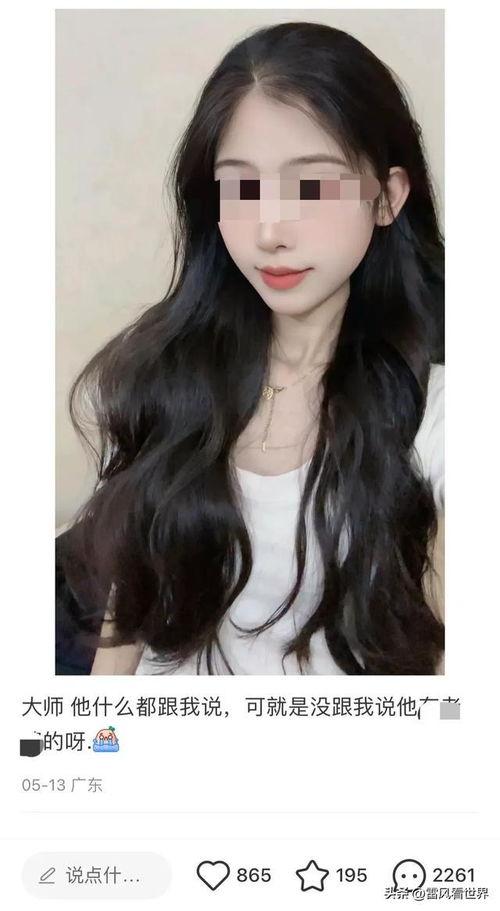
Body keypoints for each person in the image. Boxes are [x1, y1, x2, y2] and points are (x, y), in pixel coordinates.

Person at [58, 21, 444, 676]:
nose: (269, 230)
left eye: (312, 187)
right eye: (241, 188)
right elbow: (122, 636)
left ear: (387, 197)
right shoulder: (165, 374)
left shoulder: (433, 414)